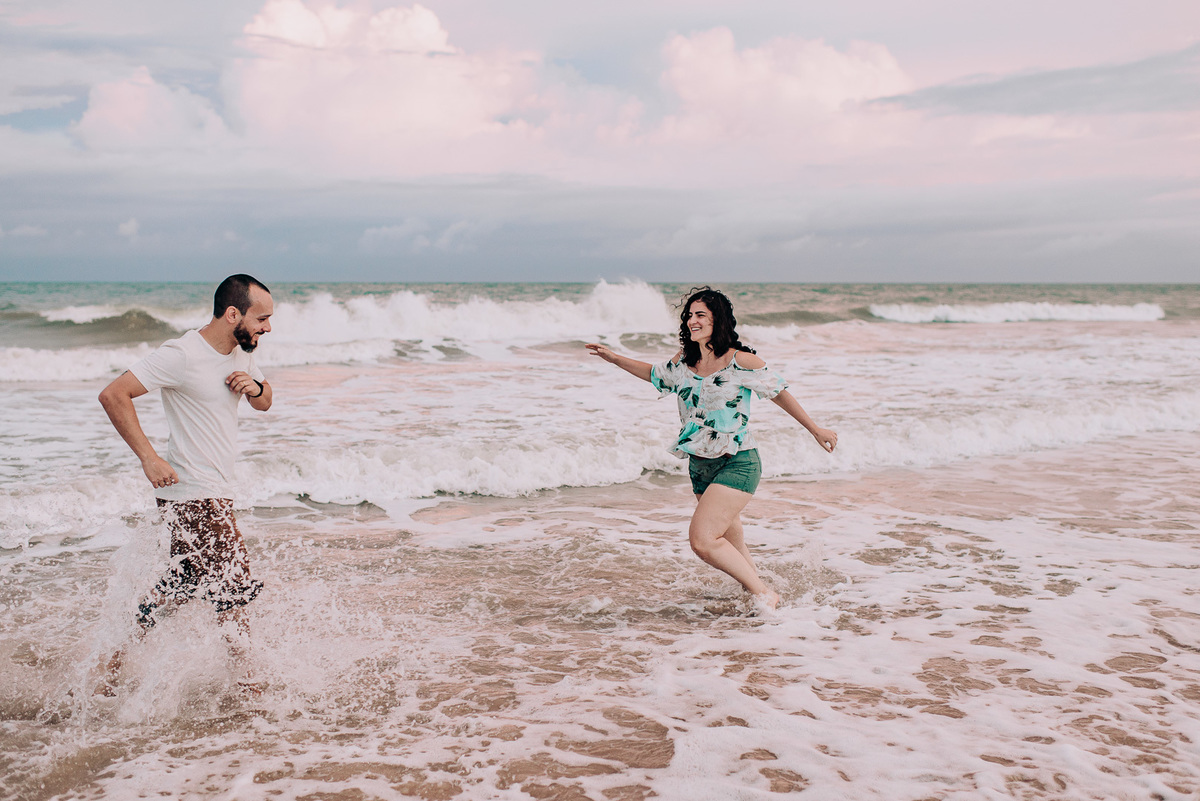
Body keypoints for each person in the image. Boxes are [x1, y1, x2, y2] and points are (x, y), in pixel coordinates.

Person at [586, 286, 836, 612]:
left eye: (700, 314)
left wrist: (815, 429)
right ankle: (759, 602)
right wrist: (613, 357)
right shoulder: (684, 362)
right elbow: (654, 375)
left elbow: (778, 393)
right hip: (700, 466)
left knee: (703, 541)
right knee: (732, 543)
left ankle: (764, 595)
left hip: (738, 462)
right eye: (689, 315)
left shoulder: (740, 361)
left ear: (716, 319)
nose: (692, 320)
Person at [95, 274, 274, 694]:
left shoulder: (242, 351)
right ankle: (250, 687)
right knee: (234, 584)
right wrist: (149, 458)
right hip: (195, 491)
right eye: (261, 318)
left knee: (182, 582)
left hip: (213, 491)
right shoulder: (181, 354)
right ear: (234, 314)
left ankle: (109, 666)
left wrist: (257, 386)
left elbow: (265, 402)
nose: (267, 328)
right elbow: (113, 394)